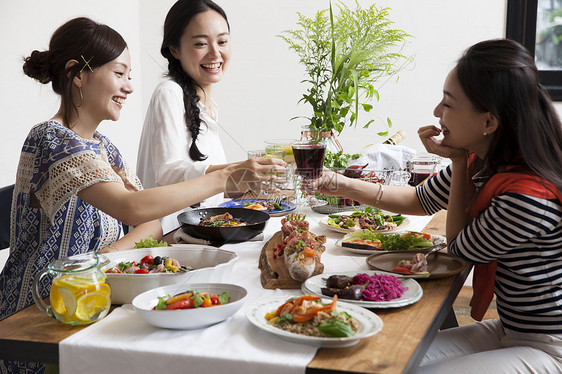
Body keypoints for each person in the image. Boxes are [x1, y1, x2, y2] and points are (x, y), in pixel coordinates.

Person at [0, 17, 283, 373]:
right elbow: (132, 208)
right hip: (38, 317)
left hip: (89, 299)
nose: (129, 87)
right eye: (120, 74)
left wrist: (102, 259)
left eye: (130, 76)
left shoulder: (105, 148)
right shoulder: (51, 140)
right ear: (77, 73)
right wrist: (224, 178)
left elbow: (149, 221)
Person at [314, 38, 562, 373]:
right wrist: (338, 182)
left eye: (448, 104)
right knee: (377, 356)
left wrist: (459, 165)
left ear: (489, 123)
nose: (436, 113)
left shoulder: (527, 195)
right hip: (512, 329)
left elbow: (458, 252)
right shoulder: (488, 160)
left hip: (548, 344)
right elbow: (419, 199)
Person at [137, 0, 261, 236]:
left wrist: (254, 183)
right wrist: (237, 170)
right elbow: (167, 174)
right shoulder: (169, 92)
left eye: (222, 41)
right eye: (201, 43)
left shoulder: (207, 106)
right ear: (174, 49)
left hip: (198, 232)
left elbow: (204, 192)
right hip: (167, 239)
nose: (215, 53)